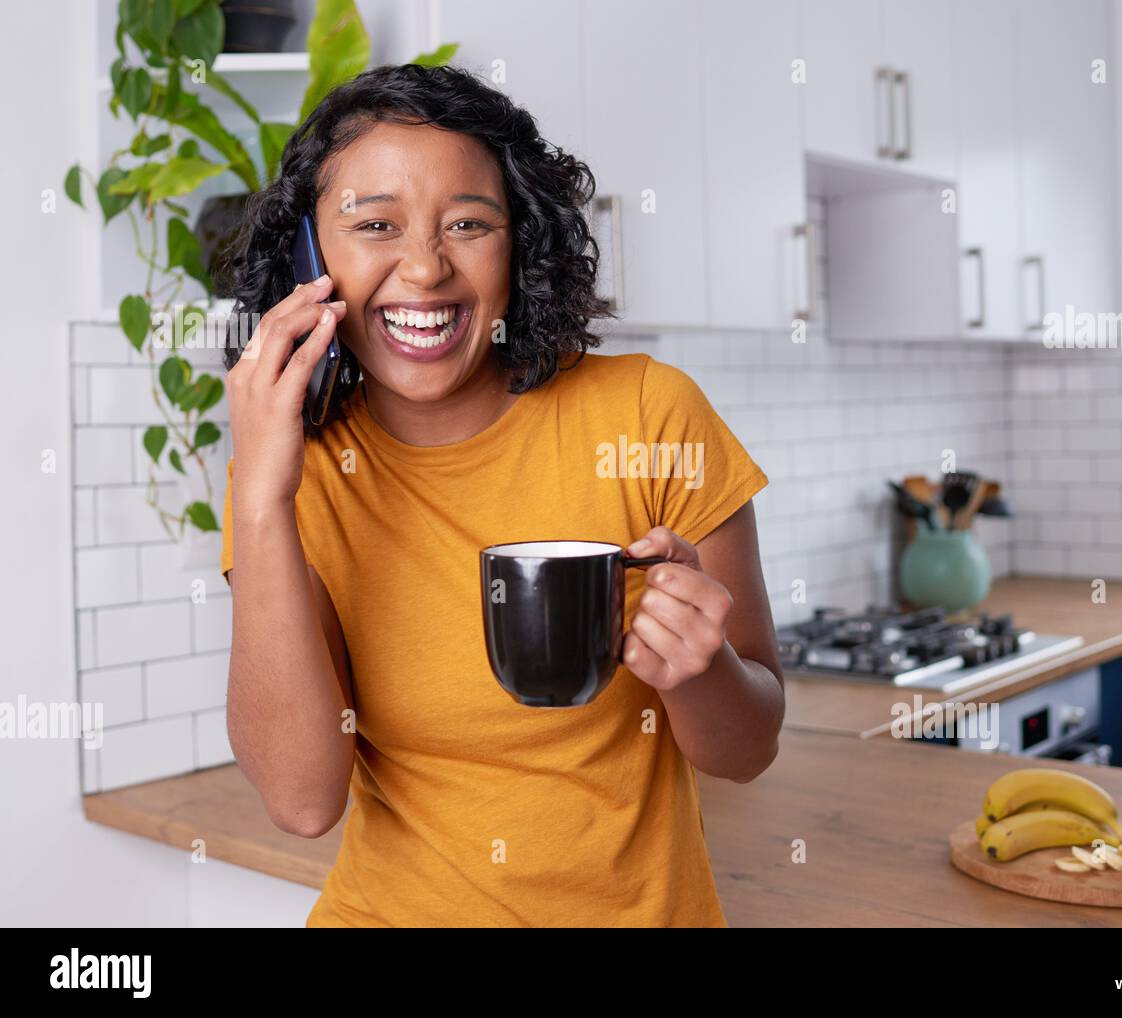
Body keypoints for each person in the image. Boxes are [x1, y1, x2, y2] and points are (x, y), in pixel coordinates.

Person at [219, 62, 784, 927]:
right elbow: (302, 801)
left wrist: (701, 672)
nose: (424, 266)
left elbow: (746, 751)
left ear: (521, 243)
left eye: (469, 224)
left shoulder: (650, 411)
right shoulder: (294, 471)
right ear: (308, 258)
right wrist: (259, 499)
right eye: (375, 224)